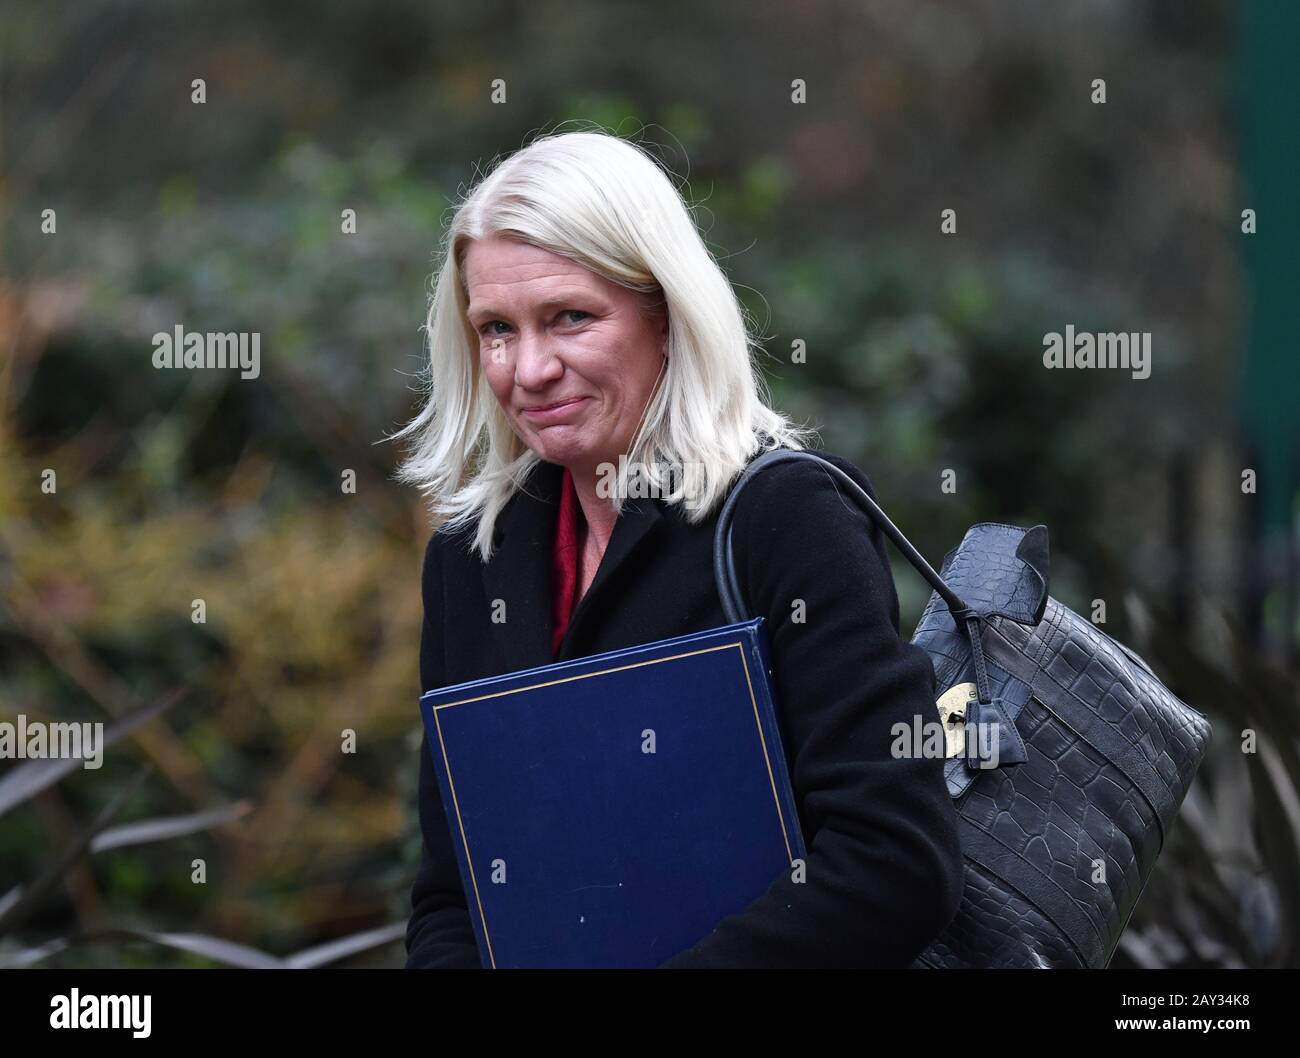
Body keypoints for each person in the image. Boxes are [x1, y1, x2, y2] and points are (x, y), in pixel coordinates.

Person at [394, 128, 963, 968]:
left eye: (571, 318)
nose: (529, 368)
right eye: (497, 330)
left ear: (665, 313)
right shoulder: (470, 561)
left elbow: (894, 862)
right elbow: (453, 889)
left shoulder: (785, 515)